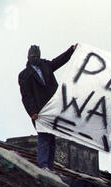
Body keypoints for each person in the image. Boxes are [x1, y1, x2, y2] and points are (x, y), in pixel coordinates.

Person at [18, 43, 77, 171]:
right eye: (32, 55)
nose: (35, 57)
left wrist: (71, 50)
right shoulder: (24, 75)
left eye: (36, 55)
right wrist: (32, 111)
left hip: (52, 109)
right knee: (44, 137)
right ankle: (43, 165)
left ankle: (49, 166)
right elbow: (26, 96)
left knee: (51, 138)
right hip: (39, 111)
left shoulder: (46, 65)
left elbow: (60, 61)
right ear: (28, 56)